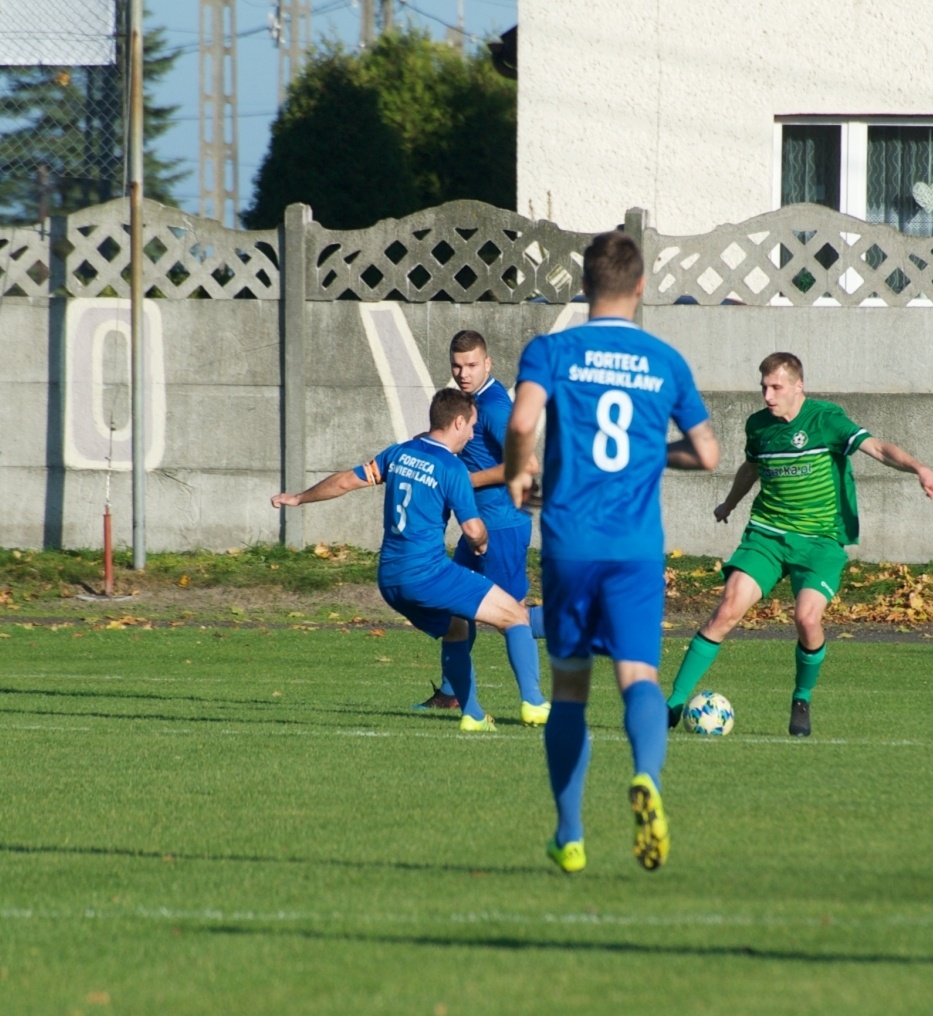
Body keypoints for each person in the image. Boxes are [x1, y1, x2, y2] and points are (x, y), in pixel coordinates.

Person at [504, 230, 719, 875]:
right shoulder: (665, 360)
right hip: (635, 548)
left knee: (570, 689)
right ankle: (647, 776)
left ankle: (569, 835)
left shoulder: (553, 350)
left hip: (571, 542)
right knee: (638, 678)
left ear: (584, 285)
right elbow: (708, 455)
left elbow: (521, 424)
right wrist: (657, 453)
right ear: (641, 287)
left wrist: (519, 475)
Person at [664, 351, 933, 737]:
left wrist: (921, 469)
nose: (767, 395)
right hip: (767, 534)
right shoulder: (758, 426)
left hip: (820, 541)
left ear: (799, 386)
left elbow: (878, 448)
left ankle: (801, 698)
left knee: (807, 619)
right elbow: (752, 467)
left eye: (776, 387)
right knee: (726, 611)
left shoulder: (825, 419)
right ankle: (673, 705)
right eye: (763, 386)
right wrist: (729, 503)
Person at [272, 387, 530, 732]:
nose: (472, 433)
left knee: (456, 627)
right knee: (514, 615)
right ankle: (538, 704)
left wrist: (300, 498)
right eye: (470, 425)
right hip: (428, 573)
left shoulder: (399, 453)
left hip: (389, 579)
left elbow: (346, 481)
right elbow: (472, 530)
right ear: (457, 422)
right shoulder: (451, 468)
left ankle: (473, 715)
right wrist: (482, 543)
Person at [412, 330, 550, 728]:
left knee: (512, 615)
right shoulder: (466, 404)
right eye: (457, 365)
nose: (463, 372)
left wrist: (460, 482)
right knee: (456, 609)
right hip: (476, 528)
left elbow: (528, 465)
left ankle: (578, 629)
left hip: (502, 527)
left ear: (488, 364)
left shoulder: (493, 406)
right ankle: (452, 696)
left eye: (471, 364)